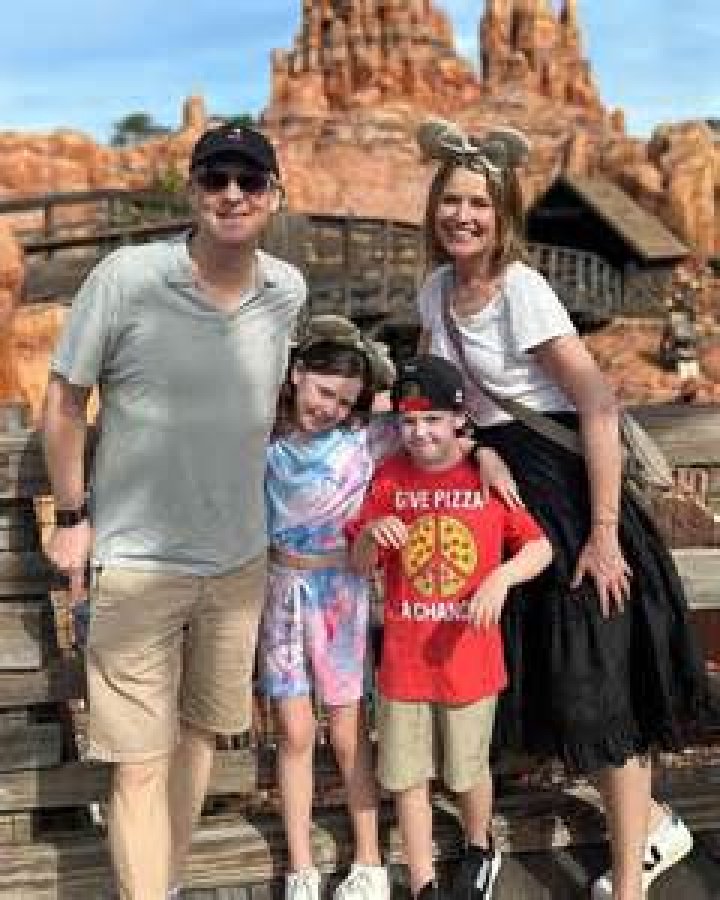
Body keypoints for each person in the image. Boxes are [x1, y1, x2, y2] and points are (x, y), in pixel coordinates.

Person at [413, 118, 711, 900]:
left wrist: (605, 535)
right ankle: (653, 828)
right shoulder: (436, 292)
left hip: (570, 495)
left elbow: (598, 403)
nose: (463, 216)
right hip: (506, 491)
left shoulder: (521, 291)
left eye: (479, 203)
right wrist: (477, 447)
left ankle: (631, 878)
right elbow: (445, 401)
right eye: (451, 201)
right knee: (547, 672)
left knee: (597, 675)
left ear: (503, 213)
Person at [42, 122, 306, 900]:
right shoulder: (128, 277)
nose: (233, 194)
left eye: (249, 181)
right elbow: (64, 401)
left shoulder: (285, 291)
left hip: (238, 562)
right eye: (216, 179)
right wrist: (71, 515)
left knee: (198, 739)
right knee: (138, 765)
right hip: (138, 563)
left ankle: (163, 884)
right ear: (193, 191)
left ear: (274, 196)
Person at [346, 354, 552, 900]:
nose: (420, 433)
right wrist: (371, 534)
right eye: (409, 422)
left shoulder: (485, 477)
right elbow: (359, 563)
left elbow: (539, 548)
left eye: (433, 420)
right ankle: (422, 879)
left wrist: (501, 579)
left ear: (460, 419)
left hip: (469, 659)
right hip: (405, 661)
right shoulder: (390, 477)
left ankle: (480, 845)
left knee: (466, 770)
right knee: (405, 775)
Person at [259, 316, 394, 900]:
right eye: (323, 391)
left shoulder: (364, 441)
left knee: (346, 729)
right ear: (295, 375)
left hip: (341, 594)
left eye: (345, 400)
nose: (331, 408)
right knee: (293, 730)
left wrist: (486, 456)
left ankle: (369, 860)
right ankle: (301, 867)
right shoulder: (265, 440)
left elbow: (435, 419)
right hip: (280, 592)